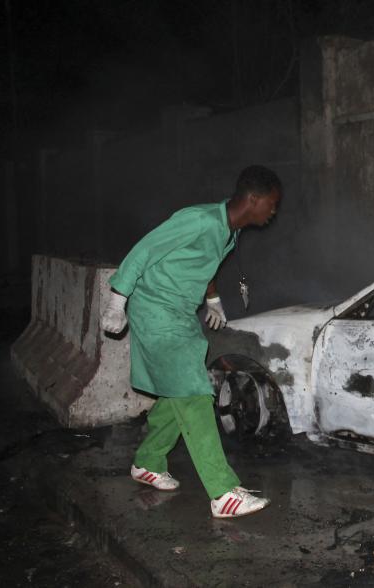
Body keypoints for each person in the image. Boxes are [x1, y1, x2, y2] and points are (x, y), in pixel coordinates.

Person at [100, 165, 282, 519]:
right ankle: (223, 492)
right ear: (254, 199)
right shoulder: (198, 220)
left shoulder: (229, 232)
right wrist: (116, 301)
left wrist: (212, 297)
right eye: (272, 204)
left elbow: (205, 263)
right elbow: (144, 250)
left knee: (175, 391)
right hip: (155, 309)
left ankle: (148, 461)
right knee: (195, 392)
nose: (273, 212)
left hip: (180, 312)